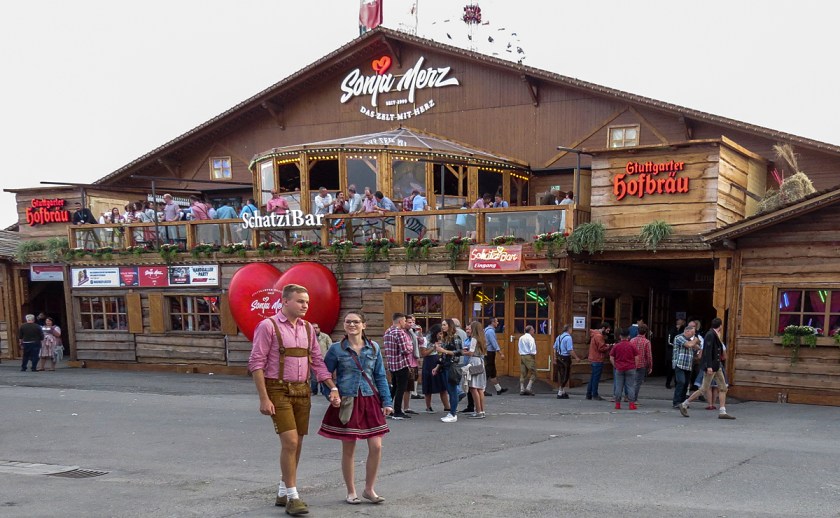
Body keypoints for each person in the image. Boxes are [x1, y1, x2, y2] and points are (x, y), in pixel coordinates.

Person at [247, 284, 340, 517]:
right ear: (285, 301)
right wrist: (263, 398)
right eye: (300, 301)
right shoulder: (268, 326)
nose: (305, 305)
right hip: (278, 389)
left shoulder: (308, 328)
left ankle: (282, 490)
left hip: (302, 389)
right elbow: (256, 363)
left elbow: (317, 361)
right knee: (289, 442)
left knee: (297, 443)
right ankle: (293, 497)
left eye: (307, 302)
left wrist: (332, 386)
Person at [319, 311, 392, 505]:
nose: (352, 325)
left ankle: (369, 489)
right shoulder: (336, 349)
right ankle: (351, 491)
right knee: (349, 447)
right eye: (348, 322)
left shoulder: (374, 348)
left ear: (364, 325)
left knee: (376, 446)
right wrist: (331, 395)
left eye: (356, 322)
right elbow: (324, 376)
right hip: (348, 400)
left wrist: (387, 401)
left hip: (370, 399)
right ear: (344, 326)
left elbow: (380, 376)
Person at [679, 318, 736, 420]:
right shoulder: (710, 335)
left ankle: (722, 411)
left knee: (723, 387)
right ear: (720, 325)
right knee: (704, 388)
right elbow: (708, 351)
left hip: (716, 365)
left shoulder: (715, 334)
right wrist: (709, 366)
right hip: (712, 366)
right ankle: (684, 404)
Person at [382, 313, 413, 420]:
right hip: (401, 364)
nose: (405, 323)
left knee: (394, 387)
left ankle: (388, 408)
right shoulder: (399, 332)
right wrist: (410, 346)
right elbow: (405, 350)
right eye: (404, 321)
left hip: (391, 364)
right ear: (400, 321)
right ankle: (398, 411)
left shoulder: (388, 331)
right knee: (401, 388)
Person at [433, 318, 463, 422]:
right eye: (442, 325)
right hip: (445, 366)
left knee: (453, 391)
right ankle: (451, 412)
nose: (443, 326)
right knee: (449, 390)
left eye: (445, 324)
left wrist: (444, 350)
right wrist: (437, 367)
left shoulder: (456, 337)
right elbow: (443, 355)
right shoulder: (445, 338)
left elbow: (459, 352)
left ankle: (453, 413)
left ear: (450, 326)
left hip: (452, 366)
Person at [420, 324, 450, 413]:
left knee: (442, 385)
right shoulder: (425, 340)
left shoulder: (442, 339)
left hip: (438, 360)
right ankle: (428, 406)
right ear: (435, 333)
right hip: (429, 362)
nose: (441, 335)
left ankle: (447, 406)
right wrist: (434, 347)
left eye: (442, 333)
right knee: (428, 385)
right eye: (439, 333)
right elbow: (423, 353)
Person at [672, 324, 700, 409]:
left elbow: (697, 347)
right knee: (681, 382)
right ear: (687, 331)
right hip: (679, 364)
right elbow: (689, 345)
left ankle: (683, 402)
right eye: (692, 333)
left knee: (686, 384)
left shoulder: (689, 340)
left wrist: (695, 342)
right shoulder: (679, 337)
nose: (693, 335)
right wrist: (695, 340)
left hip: (688, 365)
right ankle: (676, 402)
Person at [610, 327, 639, 410]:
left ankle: (618, 404)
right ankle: (631, 404)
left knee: (619, 386)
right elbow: (637, 357)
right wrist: (635, 366)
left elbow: (611, 357)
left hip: (619, 368)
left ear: (620, 336)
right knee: (630, 386)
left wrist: (615, 365)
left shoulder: (616, 346)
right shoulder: (632, 346)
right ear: (628, 336)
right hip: (630, 368)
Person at [464, 321, 488, 418]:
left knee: (473, 387)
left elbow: (471, 352)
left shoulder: (474, 339)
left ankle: (478, 411)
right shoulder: (482, 339)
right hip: (480, 361)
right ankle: (482, 410)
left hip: (473, 361)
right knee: (480, 388)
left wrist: (463, 352)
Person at [554, 324, 580, 399]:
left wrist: (555, 357)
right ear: (569, 329)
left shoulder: (558, 337)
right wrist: (576, 357)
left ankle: (563, 392)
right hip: (565, 358)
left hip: (559, 357)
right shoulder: (568, 338)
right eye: (571, 329)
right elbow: (570, 350)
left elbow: (554, 348)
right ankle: (560, 392)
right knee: (565, 375)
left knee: (562, 375)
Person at [586, 324, 610, 401]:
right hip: (598, 358)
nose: (608, 332)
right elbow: (601, 348)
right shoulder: (599, 336)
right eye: (607, 330)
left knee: (593, 377)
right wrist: (609, 346)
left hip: (593, 358)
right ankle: (595, 394)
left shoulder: (594, 334)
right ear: (603, 328)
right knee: (596, 378)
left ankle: (589, 394)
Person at [484, 318, 508, 395]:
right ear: (492, 322)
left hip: (489, 352)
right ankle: (482, 389)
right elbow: (494, 343)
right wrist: (500, 353)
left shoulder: (487, 330)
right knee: (488, 371)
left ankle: (498, 389)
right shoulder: (490, 331)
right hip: (489, 352)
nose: (497, 323)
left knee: (492, 371)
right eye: (496, 321)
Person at [630, 324, 653, 402]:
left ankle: (629, 397)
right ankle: (633, 399)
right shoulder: (646, 342)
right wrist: (650, 366)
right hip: (641, 364)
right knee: (637, 383)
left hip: (631, 363)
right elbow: (649, 355)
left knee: (631, 382)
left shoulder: (632, 340)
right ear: (646, 332)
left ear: (637, 331)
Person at [310, 323, 332, 394]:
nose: (315, 329)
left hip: (324, 359)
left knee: (324, 376)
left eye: (316, 328)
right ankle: (314, 391)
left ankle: (324, 391)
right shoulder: (308, 337)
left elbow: (330, 347)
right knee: (314, 377)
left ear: (319, 328)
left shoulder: (325, 337)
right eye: (313, 328)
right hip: (312, 360)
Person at [665, 318, 686, 389]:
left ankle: (677, 383)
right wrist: (677, 345)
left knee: (678, 369)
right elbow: (669, 341)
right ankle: (668, 383)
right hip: (671, 352)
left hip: (680, 353)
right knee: (670, 369)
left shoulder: (684, 330)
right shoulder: (672, 330)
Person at [518, 325, 537, 396]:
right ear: (530, 331)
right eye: (533, 330)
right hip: (529, 356)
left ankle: (522, 388)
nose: (534, 331)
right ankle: (528, 388)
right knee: (534, 372)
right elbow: (532, 348)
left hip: (522, 355)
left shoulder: (521, 338)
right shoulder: (531, 338)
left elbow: (519, 347)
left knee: (523, 372)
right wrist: (533, 354)